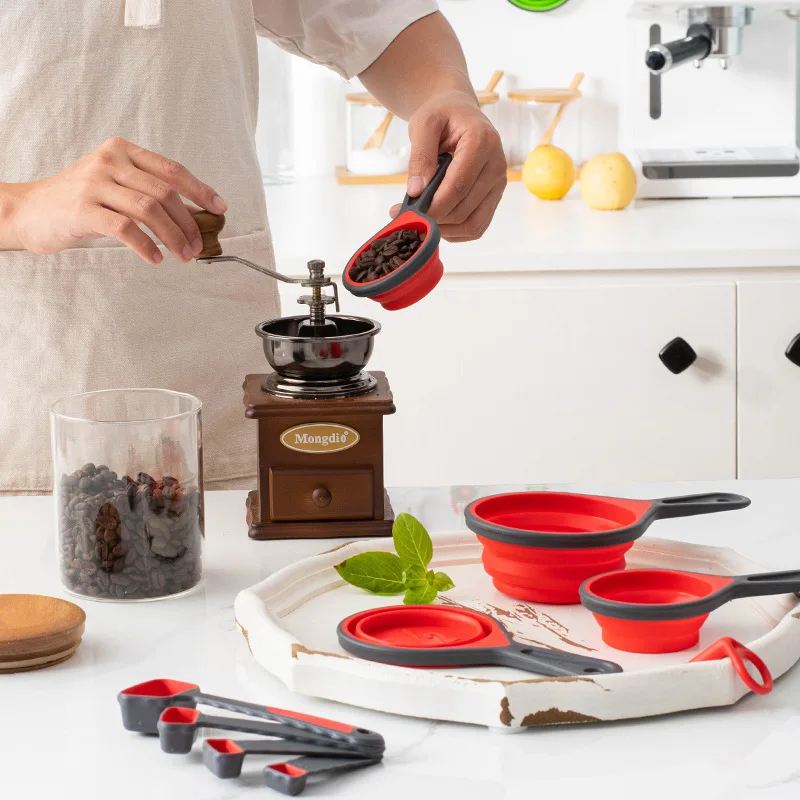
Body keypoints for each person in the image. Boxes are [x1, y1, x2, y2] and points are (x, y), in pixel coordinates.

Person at [0, 2, 507, 493]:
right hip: (26, 386)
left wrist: (450, 93)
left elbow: (375, 15)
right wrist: (18, 208)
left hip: (213, 398)